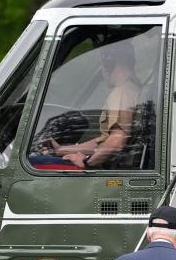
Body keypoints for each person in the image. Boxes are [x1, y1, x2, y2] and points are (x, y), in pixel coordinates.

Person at [34, 40, 141, 169]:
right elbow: (105, 142)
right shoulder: (134, 89)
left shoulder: (121, 93)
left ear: (109, 63)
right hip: (114, 167)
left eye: (103, 64)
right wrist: (61, 150)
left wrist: (86, 162)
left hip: (108, 170)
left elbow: (116, 141)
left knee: (33, 162)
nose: (102, 71)